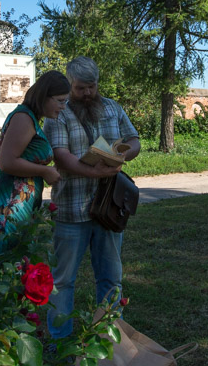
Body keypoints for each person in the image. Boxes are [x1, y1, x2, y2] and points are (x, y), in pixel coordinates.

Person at [44, 56, 141, 338]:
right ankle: (59, 342)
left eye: (92, 86)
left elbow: (133, 139)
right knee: (63, 281)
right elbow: (61, 158)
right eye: (80, 88)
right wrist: (94, 172)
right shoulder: (58, 112)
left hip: (108, 209)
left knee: (111, 277)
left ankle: (108, 336)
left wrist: (123, 154)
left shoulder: (112, 107)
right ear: (69, 84)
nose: (87, 93)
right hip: (71, 210)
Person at [0, 70, 69, 267]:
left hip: (15, 210)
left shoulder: (29, 118)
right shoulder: (24, 118)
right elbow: (7, 162)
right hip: (5, 212)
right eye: (60, 101)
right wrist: (45, 171)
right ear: (44, 96)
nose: (63, 107)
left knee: (10, 277)